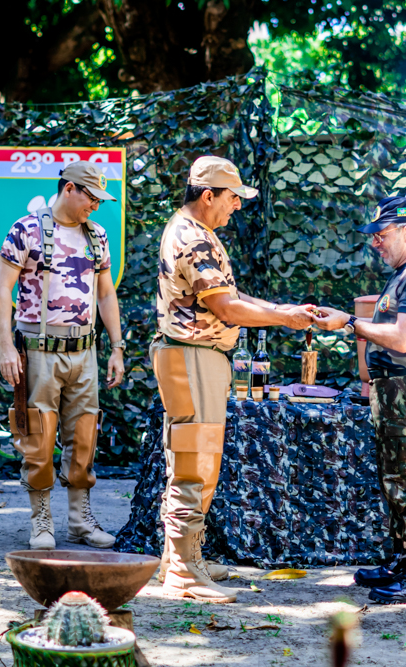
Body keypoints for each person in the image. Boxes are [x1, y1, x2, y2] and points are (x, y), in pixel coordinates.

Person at [153, 155, 314, 604]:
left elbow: (229, 294)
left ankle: (180, 559)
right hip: (193, 357)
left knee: (192, 460)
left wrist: (282, 310)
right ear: (208, 196)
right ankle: (183, 573)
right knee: (194, 463)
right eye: (232, 197)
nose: (237, 205)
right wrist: (285, 319)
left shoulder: (196, 232)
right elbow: (225, 308)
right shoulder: (194, 238)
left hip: (197, 357)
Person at [313, 196, 406, 604]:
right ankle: (404, 561)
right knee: (394, 480)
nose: (375, 243)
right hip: (392, 389)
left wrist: (350, 322)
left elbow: (403, 338)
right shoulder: (405, 274)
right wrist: (347, 322)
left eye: (381, 235)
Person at [0, 161, 125, 551]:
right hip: (38, 352)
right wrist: (6, 347)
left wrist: (117, 348)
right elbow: (3, 290)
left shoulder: (97, 235)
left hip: (84, 353)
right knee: (38, 437)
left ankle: (80, 521)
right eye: (91, 198)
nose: (95, 207)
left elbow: (106, 294)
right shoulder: (26, 230)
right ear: (69, 189)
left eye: (99, 200)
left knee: (84, 438)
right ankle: (41, 521)